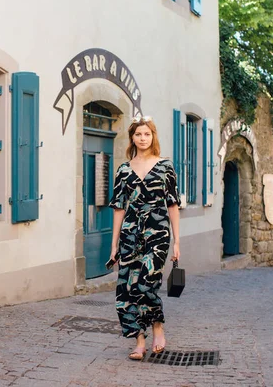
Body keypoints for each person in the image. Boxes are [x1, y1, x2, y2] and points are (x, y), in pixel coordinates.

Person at [108, 115, 181, 361]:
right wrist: (114, 243)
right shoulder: (123, 170)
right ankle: (139, 341)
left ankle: (157, 328)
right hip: (130, 233)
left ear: (153, 136)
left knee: (146, 282)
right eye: (138, 134)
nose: (142, 138)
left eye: (146, 134)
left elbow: (172, 205)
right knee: (127, 287)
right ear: (132, 137)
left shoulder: (165, 166)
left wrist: (177, 241)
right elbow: (119, 207)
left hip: (158, 233)